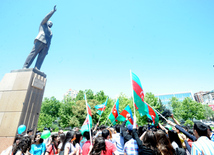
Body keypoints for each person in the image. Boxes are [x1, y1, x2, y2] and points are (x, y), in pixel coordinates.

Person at [23, 5, 57, 70]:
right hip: (40, 41)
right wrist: (53, 11)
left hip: (46, 45)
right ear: (47, 22)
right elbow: (46, 17)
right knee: (33, 54)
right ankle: (25, 66)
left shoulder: (51, 32)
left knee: (41, 58)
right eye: (50, 22)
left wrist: (48, 48)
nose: (51, 24)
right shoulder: (43, 24)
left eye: (52, 24)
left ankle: (37, 68)